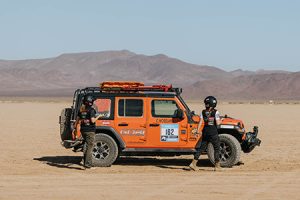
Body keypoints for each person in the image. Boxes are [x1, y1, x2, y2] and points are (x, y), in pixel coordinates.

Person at [189, 96, 222, 171]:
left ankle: (193, 163)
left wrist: (197, 130)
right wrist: (221, 120)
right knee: (216, 148)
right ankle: (217, 165)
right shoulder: (215, 112)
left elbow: (200, 122)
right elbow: (217, 123)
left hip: (205, 132)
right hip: (213, 132)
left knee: (201, 148)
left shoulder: (203, 112)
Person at [77, 95, 102, 169]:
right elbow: (92, 120)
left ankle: (84, 162)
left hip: (83, 130)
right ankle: (87, 165)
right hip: (90, 131)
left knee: (86, 146)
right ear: (90, 102)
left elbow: (77, 121)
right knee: (89, 148)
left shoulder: (81, 110)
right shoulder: (91, 110)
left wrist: (75, 129)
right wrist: (99, 116)